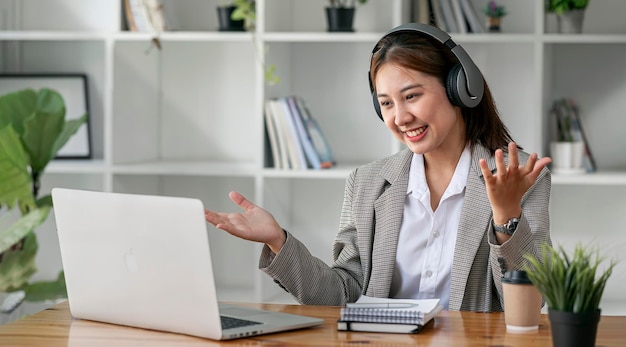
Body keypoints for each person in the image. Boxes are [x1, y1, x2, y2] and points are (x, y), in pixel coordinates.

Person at [205, 23, 552, 312]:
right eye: (386, 103)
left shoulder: (518, 176)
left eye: (412, 96)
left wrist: (506, 215)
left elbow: (526, 308)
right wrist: (278, 241)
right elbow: (342, 295)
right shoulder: (367, 182)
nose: (400, 117)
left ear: (460, 89)